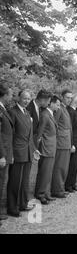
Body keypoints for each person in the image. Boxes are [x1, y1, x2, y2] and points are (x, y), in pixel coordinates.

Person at [7, 90, 40, 217]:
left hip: (27, 152)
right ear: (18, 98)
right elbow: (11, 135)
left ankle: (22, 203)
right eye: (24, 98)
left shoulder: (27, 113)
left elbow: (30, 136)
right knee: (15, 180)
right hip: (17, 151)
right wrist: (11, 153)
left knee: (25, 180)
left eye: (28, 99)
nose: (26, 101)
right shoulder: (12, 112)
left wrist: (34, 149)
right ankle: (12, 206)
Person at [34, 95, 60, 205]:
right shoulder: (45, 115)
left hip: (51, 147)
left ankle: (45, 193)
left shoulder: (50, 114)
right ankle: (40, 194)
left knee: (48, 172)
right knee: (44, 172)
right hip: (46, 148)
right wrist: (37, 148)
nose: (58, 107)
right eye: (57, 105)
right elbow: (39, 133)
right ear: (51, 103)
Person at [51, 89, 73, 198]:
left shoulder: (65, 109)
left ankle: (60, 188)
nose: (70, 99)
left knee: (64, 167)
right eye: (68, 97)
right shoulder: (59, 109)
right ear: (62, 97)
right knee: (59, 167)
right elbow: (54, 124)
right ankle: (57, 190)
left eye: (70, 98)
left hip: (66, 142)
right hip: (61, 142)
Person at [0, 84, 13, 221]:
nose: (11, 97)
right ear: (4, 95)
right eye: (10, 94)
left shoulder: (4, 109)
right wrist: (2, 155)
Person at [65, 94, 77, 192]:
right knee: (71, 165)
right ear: (74, 102)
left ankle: (73, 183)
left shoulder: (74, 111)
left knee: (75, 165)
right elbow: (70, 129)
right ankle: (68, 185)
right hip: (73, 142)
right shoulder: (70, 111)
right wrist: (72, 143)